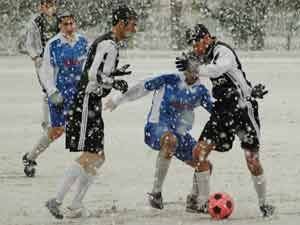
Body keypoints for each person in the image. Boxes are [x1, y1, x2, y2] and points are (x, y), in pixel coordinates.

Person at [45, 5, 138, 219]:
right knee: (91, 154)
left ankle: (76, 205)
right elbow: (92, 73)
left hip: (91, 101)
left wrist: (113, 73)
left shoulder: (108, 42)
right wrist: (113, 81)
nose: (134, 28)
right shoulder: (109, 44)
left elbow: (97, 69)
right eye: (132, 23)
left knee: (99, 156)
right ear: (121, 23)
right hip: (87, 100)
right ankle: (57, 200)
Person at [175, 24, 275, 217]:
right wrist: (188, 67)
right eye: (192, 46)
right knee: (199, 152)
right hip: (222, 109)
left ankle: (264, 204)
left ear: (206, 38)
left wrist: (194, 66)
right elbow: (190, 77)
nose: (195, 49)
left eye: (196, 44)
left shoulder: (223, 51)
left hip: (243, 109)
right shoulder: (200, 55)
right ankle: (201, 202)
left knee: (252, 160)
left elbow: (216, 70)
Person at [105, 65, 213, 211]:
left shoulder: (201, 91)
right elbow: (142, 86)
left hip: (180, 133)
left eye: (196, 69)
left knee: (204, 163)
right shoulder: (169, 78)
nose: (193, 72)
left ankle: (194, 201)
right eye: (189, 68)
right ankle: (156, 193)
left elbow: (217, 110)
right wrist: (118, 99)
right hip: (156, 128)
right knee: (170, 140)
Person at [22, 12, 88, 177]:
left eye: (71, 23)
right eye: (65, 24)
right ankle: (31, 157)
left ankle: (87, 162)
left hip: (78, 93)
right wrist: (52, 92)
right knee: (57, 130)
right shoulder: (53, 44)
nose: (69, 27)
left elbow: (88, 67)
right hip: (60, 92)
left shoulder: (83, 42)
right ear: (59, 26)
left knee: (87, 126)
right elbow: (45, 71)